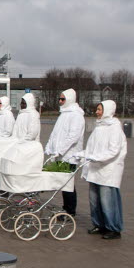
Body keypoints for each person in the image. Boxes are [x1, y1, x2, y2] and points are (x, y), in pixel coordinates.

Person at [77, 100, 127, 240]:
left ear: (108, 111)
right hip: (95, 169)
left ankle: (113, 228)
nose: (97, 112)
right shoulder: (99, 127)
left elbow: (113, 151)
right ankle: (99, 224)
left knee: (107, 200)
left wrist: (96, 157)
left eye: (100, 109)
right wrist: (82, 154)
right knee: (94, 199)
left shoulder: (115, 128)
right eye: (97, 109)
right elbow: (91, 148)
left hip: (108, 170)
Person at [45, 88, 85, 216]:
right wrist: (49, 147)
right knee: (62, 183)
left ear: (70, 100)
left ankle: (70, 210)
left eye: (63, 99)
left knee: (68, 184)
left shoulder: (76, 115)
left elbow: (73, 137)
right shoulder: (63, 114)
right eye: (60, 99)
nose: (60, 101)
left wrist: (60, 150)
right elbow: (55, 134)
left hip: (69, 156)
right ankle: (66, 207)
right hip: (60, 156)